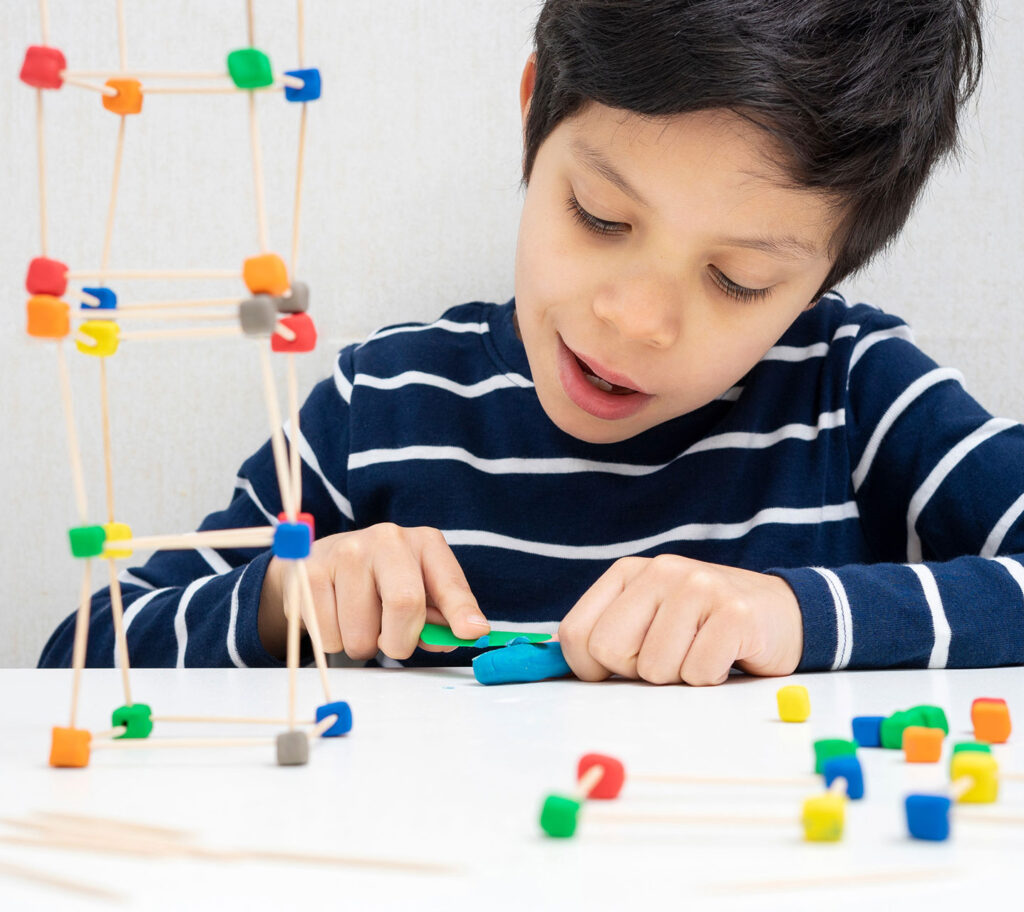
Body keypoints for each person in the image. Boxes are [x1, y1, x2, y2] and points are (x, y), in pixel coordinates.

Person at [43, 0, 1016, 685]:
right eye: (597, 216)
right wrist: (279, 599)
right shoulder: (381, 407)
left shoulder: (851, 396)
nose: (635, 319)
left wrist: (791, 616)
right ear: (531, 115)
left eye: (737, 281)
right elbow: (80, 654)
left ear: (829, 270)